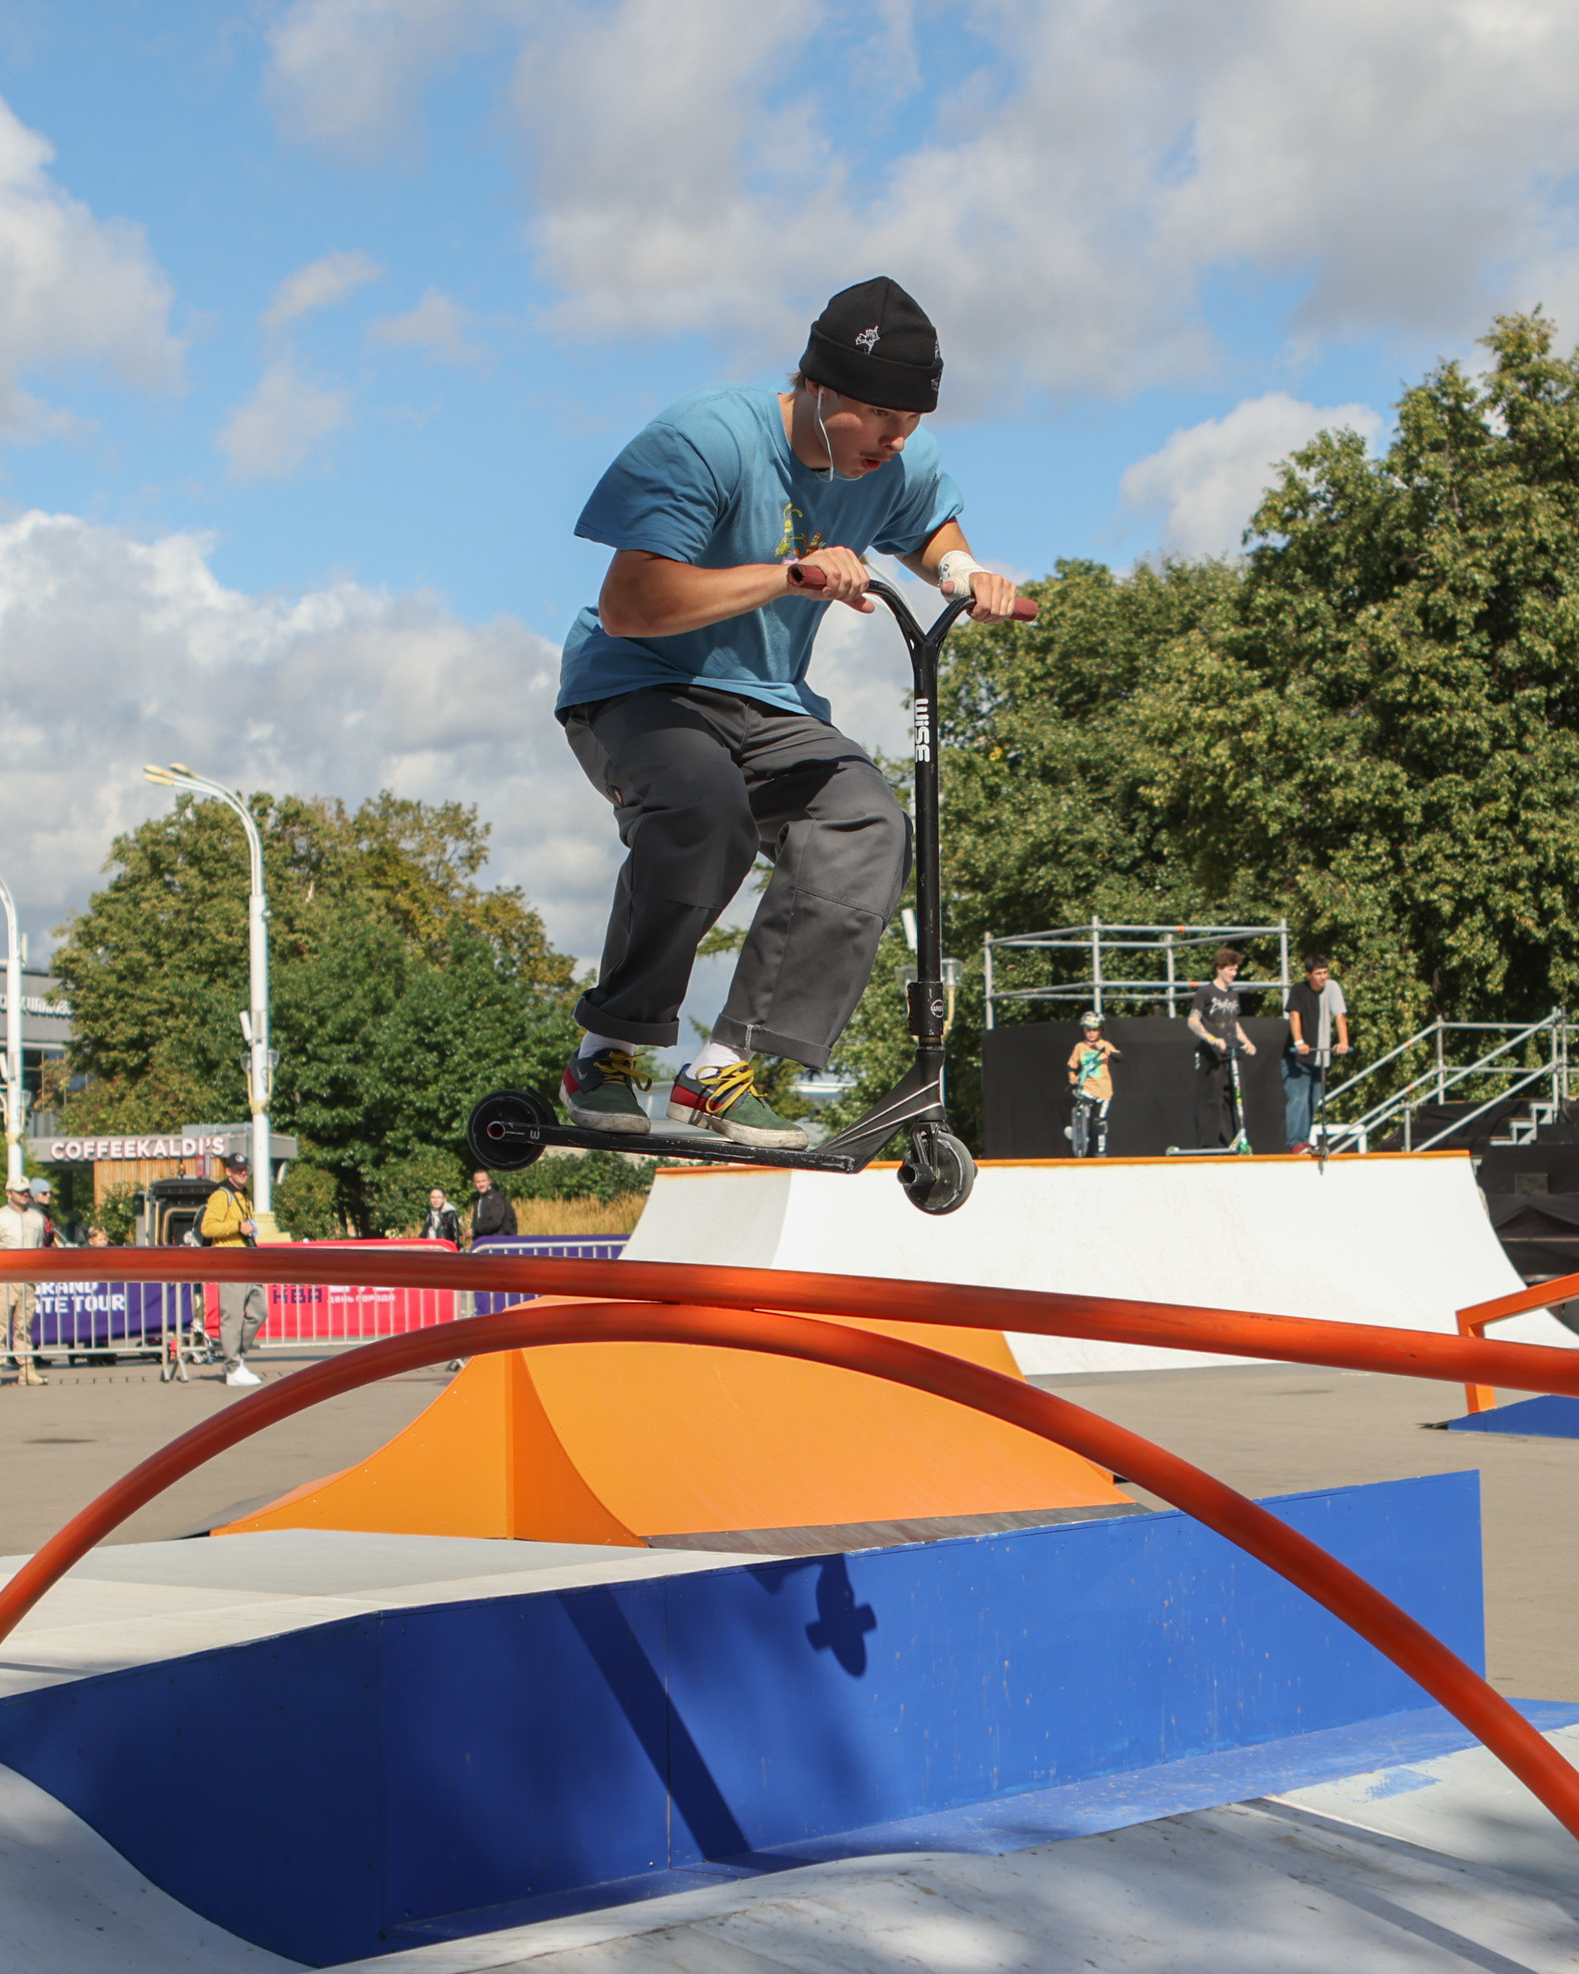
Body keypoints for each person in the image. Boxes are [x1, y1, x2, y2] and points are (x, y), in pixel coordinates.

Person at [553, 276, 1019, 1154]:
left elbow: (929, 525)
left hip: (767, 705)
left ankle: (723, 1068)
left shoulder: (892, 463)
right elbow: (631, 603)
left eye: (911, 423)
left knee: (866, 822)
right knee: (703, 811)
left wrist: (961, 573)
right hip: (638, 684)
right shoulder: (707, 438)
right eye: (879, 417)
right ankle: (609, 1048)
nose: (894, 439)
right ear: (817, 386)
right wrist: (789, 572)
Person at [199, 1149, 266, 1387]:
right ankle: (232, 1366)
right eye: (238, 1169)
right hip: (230, 1260)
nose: (243, 1172)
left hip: (248, 1259)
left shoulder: (243, 1196)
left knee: (260, 1310)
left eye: (245, 1168)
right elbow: (208, 1228)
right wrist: (238, 1226)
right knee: (233, 1316)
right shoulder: (221, 1195)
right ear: (228, 1171)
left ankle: (236, 1357)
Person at [1186, 948, 1257, 1148]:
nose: (1233, 974)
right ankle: (1209, 1145)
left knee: (1233, 1099)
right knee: (1211, 1101)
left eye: (1236, 970)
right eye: (1230, 970)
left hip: (1232, 1054)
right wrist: (1211, 1038)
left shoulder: (1233, 994)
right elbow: (1192, 1021)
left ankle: (1232, 1142)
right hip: (1211, 1055)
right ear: (1219, 968)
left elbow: (1233, 1023)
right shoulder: (1205, 992)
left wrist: (1246, 1041)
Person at [0, 1179, 50, 1386]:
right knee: (0, 1325)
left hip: (27, 1280)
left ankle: (27, 1369)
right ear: (8, 1193)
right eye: (20, 1191)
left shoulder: (37, 1218)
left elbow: (39, 1247)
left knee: (24, 1327)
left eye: (27, 1191)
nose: (24, 1195)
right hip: (4, 1278)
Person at [1284, 953, 1352, 1152]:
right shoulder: (1299, 990)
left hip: (1320, 1054)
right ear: (1308, 975)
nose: (1323, 977)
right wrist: (1299, 1041)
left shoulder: (1332, 987)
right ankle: (1294, 1141)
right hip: (1298, 1054)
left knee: (1314, 1099)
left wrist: (1343, 1041)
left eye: (1325, 972)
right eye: (1318, 973)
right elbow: (1294, 1016)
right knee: (1298, 1097)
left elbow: (1339, 1015)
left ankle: (1304, 1139)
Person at [1064, 1013, 1121, 1156]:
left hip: (1103, 1091)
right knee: (1081, 1111)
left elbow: (1120, 1057)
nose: (1090, 1033)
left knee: (1099, 1124)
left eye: (1094, 1030)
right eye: (1087, 1029)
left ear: (1100, 1030)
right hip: (1087, 1089)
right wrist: (1072, 1076)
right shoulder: (1080, 1047)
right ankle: (1079, 1135)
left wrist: (1107, 1051)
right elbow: (1071, 1065)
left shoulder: (1105, 1045)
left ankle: (1100, 1153)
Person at [468, 1167, 517, 1250]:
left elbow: (495, 1223)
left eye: (483, 1181)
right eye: (478, 1182)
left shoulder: (496, 1198)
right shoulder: (478, 1198)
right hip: (485, 1243)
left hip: (499, 1243)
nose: (481, 1184)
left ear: (489, 1181)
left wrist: (474, 1230)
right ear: (474, 1183)